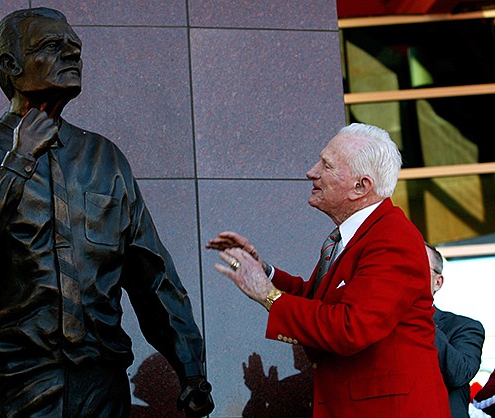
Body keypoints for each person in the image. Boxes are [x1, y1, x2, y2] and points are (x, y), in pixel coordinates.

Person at [0, 7, 213, 418]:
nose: (72, 54)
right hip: (10, 384)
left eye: (75, 47)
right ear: (11, 64)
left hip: (100, 383)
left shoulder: (105, 160)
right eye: (52, 46)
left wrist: (190, 368)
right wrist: (18, 160)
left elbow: (153, 274)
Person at [207, 123, 451, 417]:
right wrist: (263, 271)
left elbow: (351, 328)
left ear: (361, 186)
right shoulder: (362, 234)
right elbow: (318, 301)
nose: (312, 172)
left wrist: (267, 295)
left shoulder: (392, 238)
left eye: (327, 165)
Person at [426, 243, 485, 418]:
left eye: (418, 266)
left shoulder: (464, 327)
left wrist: (417, 313)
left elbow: (458, 374)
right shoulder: (379, 325)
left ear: (438, 282)